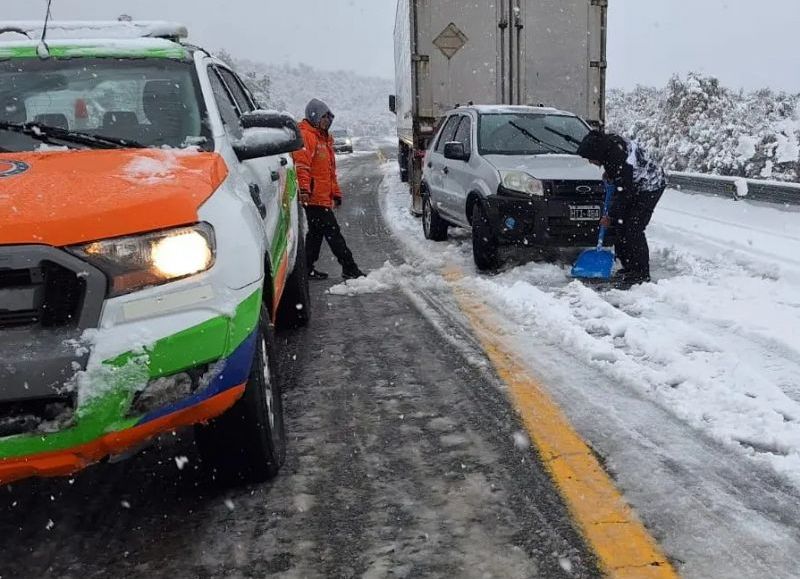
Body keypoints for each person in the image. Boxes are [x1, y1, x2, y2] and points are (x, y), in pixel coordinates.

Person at [576, 130, 667, 286]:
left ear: (597, 153)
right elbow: (620, 177)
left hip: (650, 185)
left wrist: (610, 216)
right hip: (634, 184)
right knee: (620, 225)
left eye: (591, 159)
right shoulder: (609, 146)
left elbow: (624, 193)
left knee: (633, 228)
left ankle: (641, 273)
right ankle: (628, 267)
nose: (590, 162)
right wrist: (611, 174)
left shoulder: (618, 159)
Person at [293, 98, 365, 281]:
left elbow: (329, 173)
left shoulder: (324, 139)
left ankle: (306, 268)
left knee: (315, 235)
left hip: (322, 197)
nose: (327, 121)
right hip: (313, 197)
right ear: (315, 116)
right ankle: (349, 267)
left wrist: (336, 193)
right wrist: (304, 190)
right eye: (324, 117)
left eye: (329, 117)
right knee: (334, 234)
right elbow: (301, 166)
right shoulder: (307, 136)